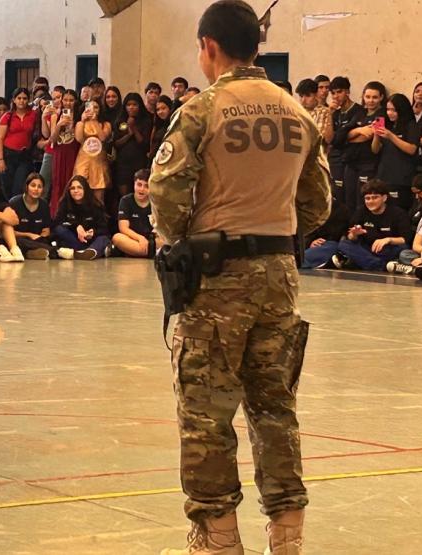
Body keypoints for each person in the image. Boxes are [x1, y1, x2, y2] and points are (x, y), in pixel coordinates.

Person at [149, 2, 331, 553]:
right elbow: (319, 205)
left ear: (208, 46)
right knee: (275, 408)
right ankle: (287, 536)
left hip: (216, 276)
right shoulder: (295, 112)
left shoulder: (202, 111)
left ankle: (218, 540)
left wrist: (183, 238)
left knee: (205, 413)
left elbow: (165, 194)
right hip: (279, 275)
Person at [341, 81, 386, 214]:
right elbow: (343, 135)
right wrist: (359, 130)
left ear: (381, 98)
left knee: (362, 200)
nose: (371, 101)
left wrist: (352, 136)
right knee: (348, 199)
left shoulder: (381, 115)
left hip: (368, 164)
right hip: (351, 162)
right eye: (368, 97)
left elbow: (368, 136)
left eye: (375, 97)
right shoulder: (359, 113)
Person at [372, 93, 420, 210]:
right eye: (388, 109)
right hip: (384, 176)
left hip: (401, 179)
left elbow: (412, 149)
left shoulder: (411, 125)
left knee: (398, 211)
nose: (390, 113)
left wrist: (391, 136)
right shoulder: (390, 125)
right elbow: (375, 150)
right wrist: (376, 134)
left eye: (394, 110)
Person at [53, 175, 110, 260]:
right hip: (73, 239)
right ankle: (88, 253)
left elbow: (104, 228)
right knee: (60, 230)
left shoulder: (95, 205)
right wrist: (76, 227)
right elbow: (56, 224)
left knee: (104, 238)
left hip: (90, 240)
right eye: (72, 188)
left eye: (79, 187)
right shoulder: (64, 204)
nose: (76, 191)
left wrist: (93, 232)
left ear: (85, 189)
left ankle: (81, 253)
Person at [0, 88, 38, 199]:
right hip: (8, 154)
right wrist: (0, 159)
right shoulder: (7, 116)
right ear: (14, 100)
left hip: (24, 155)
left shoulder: (33, 115)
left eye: (24, 98)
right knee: (7, 186)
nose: (22, 101)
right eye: (19, 98)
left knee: (19, 186)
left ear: (28, 100)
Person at [328, 76, 362, 199]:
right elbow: (331, 138)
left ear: (347, 91)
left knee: (350, 196)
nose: (336, 96)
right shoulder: (334, 113)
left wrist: (343, 135)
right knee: (336, 194)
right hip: (335, 159)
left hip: (351, 160)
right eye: (333, 93)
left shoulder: (358, 110)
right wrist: (329, 114)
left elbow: (341, 136)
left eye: (339, 92)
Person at [112, 93, 152, 199]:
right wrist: (128, 135)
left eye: (135, 105)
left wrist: (133, 128)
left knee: (139, 194)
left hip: (139, 163)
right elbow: (116, 143)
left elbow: (144, 144)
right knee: (124, 196)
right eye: (128, 105)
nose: (131, 107)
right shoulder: (120, 121)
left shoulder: (146, 121)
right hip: (123, 164)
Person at [112, 169, 158, 258]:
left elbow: (161, 227)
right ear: (134, 184)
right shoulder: (125, 201)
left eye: (146, 186)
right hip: (134, 239)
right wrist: (140, 238)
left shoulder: (156, 202)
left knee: (165, 240)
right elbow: (123, 228)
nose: (142, 189)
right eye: (139, 185)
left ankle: (138, 252)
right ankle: (151, 252)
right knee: (117, 237)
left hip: (152, 240)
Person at [48, 90, 80, 217]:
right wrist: (58, 125)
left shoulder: (79, 116)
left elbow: (79, 139)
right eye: (65, 100)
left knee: (72, 182)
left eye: (71, 100)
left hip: (73, 152)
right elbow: (52, 139)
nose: (68, 103)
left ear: (76, 102)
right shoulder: (56, 116)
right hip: (59, 152)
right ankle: (56, 215)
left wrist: (73, 126)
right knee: (58, 183)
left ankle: (72, 215)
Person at [72, 99, 111, 204]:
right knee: (80, 194)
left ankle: (98, 219)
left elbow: (103, 138)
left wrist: (95, 121)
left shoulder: (105, 124)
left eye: (96, 107)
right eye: (90, 107)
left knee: (98, 198)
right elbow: (79, 139)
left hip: (99, 161)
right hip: (83, 160)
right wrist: (82, 120)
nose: (93, 110)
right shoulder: (80, 123)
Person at [10, 173, 54, 259]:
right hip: (18, 239)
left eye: (39, 187)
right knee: (18, 242)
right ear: (27, 187)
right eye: (33, 185)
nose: (36, 189)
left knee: (51, 238)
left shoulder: (44, 205)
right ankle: (48, 251)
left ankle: (31, 253)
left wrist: (40, 238)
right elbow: (8, 231)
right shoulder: (14, 203)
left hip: (37, 240)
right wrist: (29, 235)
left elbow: (46, 230)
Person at [295, 79, 332, 145]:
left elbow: (320, 139)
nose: (303, 100)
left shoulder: (324, 111)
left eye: (308, 96)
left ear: (316, 95)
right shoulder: (296, 111)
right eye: (301, 96)